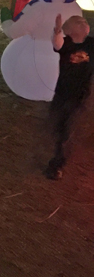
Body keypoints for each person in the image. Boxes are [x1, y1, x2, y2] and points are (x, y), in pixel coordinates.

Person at [44, 15, 94, 180]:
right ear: (70, 31)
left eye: (84, 21)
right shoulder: (67, 44)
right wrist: (57, 30)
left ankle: (57, 164)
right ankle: (58, 146)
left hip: (80, 97)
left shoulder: (91, 44)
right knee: (57, 124)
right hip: (62, 93)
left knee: (68, 130)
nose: (84, 23)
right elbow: (57, 43)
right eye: (78, 22)